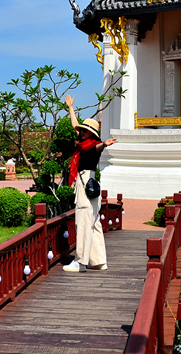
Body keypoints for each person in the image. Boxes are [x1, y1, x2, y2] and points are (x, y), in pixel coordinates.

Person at [62, 94, 116, 272]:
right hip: (89, 184)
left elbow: (98, 147)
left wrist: (105, 144)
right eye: (82, 130)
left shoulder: (93, 145)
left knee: (84, 222)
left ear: (91, 133)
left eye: (84, 130)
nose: (81, 132)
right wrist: (70, 108)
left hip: (86, 184)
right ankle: (99, 261)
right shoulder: (83, 145)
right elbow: (74, 125)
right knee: (93, 223)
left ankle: (80, 262)